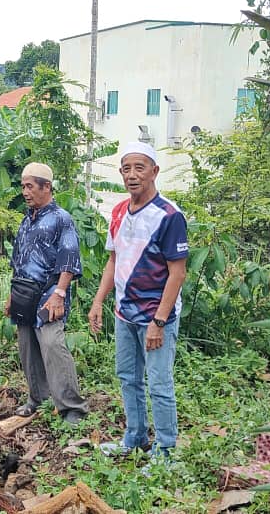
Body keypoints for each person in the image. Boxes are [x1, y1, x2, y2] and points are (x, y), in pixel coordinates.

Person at [88, 142, 188, 459]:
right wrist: (98, 301)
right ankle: (135, 438)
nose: (132, 175)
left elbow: (177, 274)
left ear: (154, 172)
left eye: (139, 168)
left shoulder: (169, 216)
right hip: (124, 314)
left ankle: (166, 449)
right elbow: (113, 261)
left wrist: (158, 322)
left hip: (156, 318)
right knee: (128, 378)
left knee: (159, 383)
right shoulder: (117, 212)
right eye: (126, 169)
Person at [4, 162, 88, 425]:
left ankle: (72, 407)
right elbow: (18, 261)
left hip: (49, 292)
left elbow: (69, 258)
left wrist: (60, 293)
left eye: (30, 186)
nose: (25, 192)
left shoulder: (61, 218)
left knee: (52, 344)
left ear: (46, 187)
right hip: (23, 292)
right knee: (27, 346)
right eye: (23, 186)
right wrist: (11, 295)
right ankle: (36, 398)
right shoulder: (26, 221)